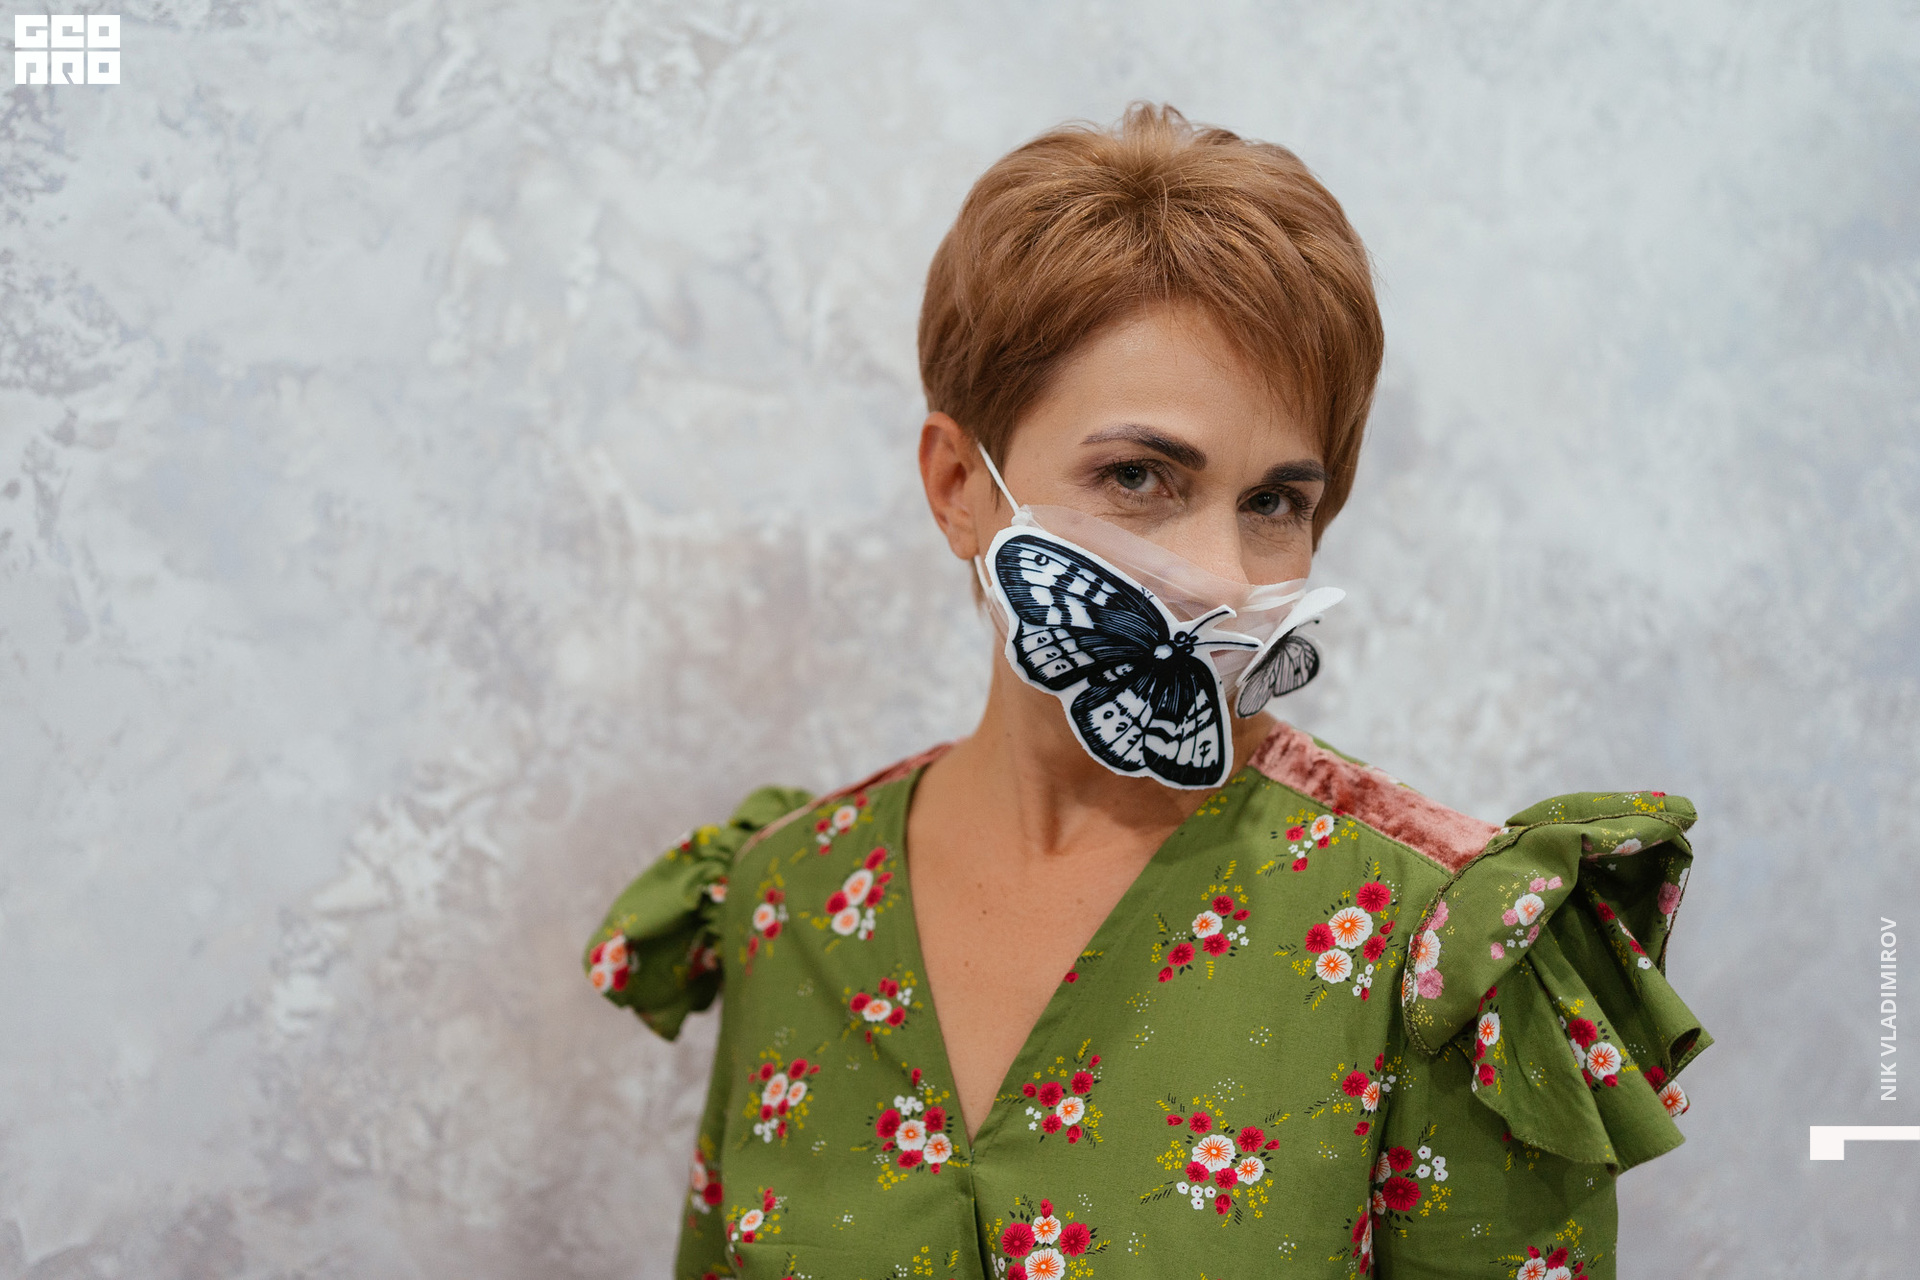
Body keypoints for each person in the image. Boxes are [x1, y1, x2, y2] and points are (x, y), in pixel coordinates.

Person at [584, 103, 1708, 1280]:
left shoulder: (1433, 945)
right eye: (1138, 475)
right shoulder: (791, 902)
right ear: (960, 483)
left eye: (1275, 501)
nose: (1222, 575)